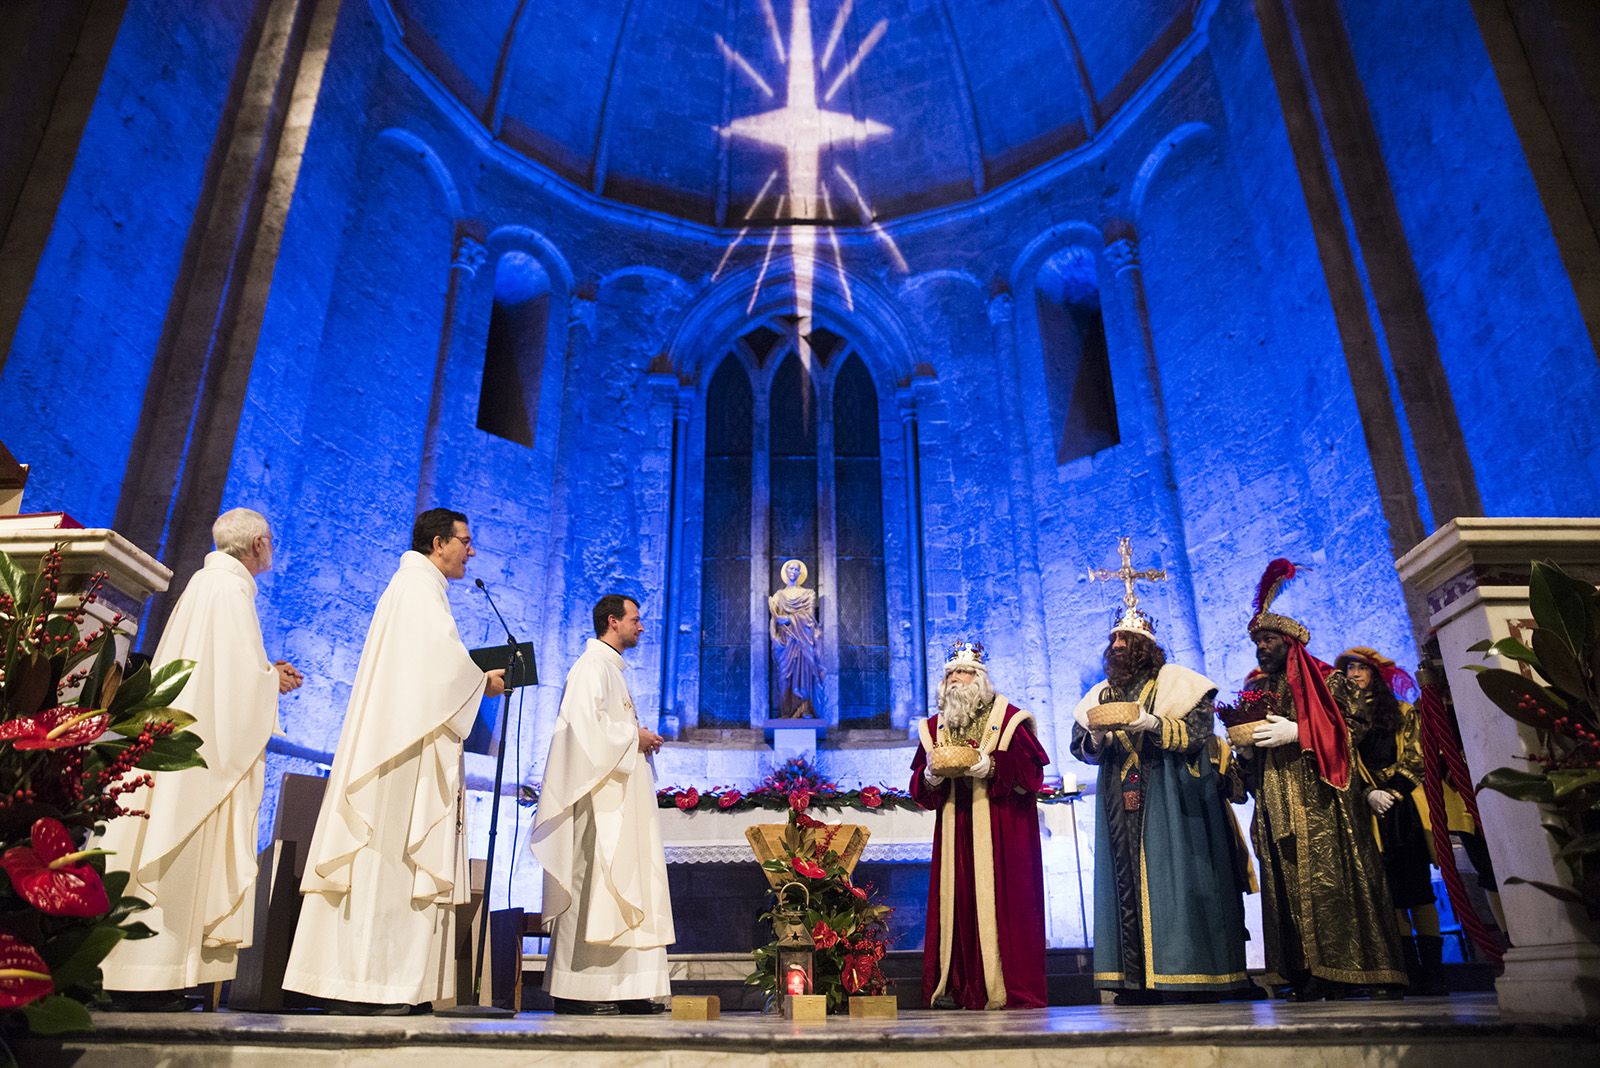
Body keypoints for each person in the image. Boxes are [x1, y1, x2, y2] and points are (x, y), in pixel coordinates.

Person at [282, 509, 506, 1013]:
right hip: (401, 758)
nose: (471, 552)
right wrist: (482, 683)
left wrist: (469, 679)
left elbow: (432, 669)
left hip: (403, 745)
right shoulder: (417, 590)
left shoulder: (417, 589)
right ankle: (369, 986)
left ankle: (375, 985)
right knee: (389, 862)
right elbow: (439, 672)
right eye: (465, 542)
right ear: (438, 542)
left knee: (387, 868)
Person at [99, 509, 303, 1010]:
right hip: (201, 754)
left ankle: (149, 976)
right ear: (257, 544)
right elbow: (233, 685)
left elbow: (218, 671)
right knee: (182, 851)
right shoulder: (230, 593)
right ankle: (154, 979)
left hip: (181, 739)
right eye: (270, 542)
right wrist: (269, 680)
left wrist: (262, 672)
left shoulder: (204, 585)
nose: (271, 549)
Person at [1234, 559, 1406, 1001]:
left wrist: (1301, 732)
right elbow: (1249, 750)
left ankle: (1353, 968)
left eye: (1268, 639)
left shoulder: (1330, 681)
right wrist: (1247, 750)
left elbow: (1355, 728)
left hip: (1322, 801)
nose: (1261, 648)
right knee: (1288, 889)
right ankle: (1307, 969)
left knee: (1332, 883)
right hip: (1275, 800)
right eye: (1257, 641)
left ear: (1290, 643)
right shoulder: (1258, 690)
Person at [1070, 606, 1250, 1003]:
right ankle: (1135, 982)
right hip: (1118, 800)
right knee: (1124, 884)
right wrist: (1097, 740)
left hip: (1172, 795)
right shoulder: (1101, 694)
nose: (1116, 646)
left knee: (1179, 882)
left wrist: (1154, 725)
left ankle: (1191, 974)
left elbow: (1200, 732)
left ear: (1146, 648)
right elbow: (1079, 744)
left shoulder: (1180, 685)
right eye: (1113, 640)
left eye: (1125, 640)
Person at [531, 594, 673, 1015]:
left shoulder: (610, 669)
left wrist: (633, 736)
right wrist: (635, 737)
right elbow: (584, 732)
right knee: (596, 887)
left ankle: (627, 988)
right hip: (598, 805)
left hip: (621, 801)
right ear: (612, 622)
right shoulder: (590, 668)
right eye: (635, 619)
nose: (641, 627)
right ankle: (580, 990)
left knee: (629, 886)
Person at [908, 641, 1048, 1010]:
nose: (955, 679)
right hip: (956, 829)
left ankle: (1003, 987)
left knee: (1003, 907)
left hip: (1002, 830)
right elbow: (919, 787)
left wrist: (993, 767)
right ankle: (957, 985)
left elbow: (1032, 773)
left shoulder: (1011, 719)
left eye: (963, 672)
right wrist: (932, 779)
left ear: (980, 680)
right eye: (950, 673)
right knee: (958, 906)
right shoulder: (935, 727)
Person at [1338, 646, 1449, 995]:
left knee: (1417, 887)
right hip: (1366, 808)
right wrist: (1368, 793)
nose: (1354, 674)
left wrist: (1393, 791)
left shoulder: (1402, 712)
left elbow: (1417, 755)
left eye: (1361, 668)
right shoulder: (1342, 720)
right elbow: (1345, 762)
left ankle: (1434, 971)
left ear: (1374, 673)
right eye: (1349, 669)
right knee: (1387, 891)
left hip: (1402, 808)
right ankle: (1406, 969)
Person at [768, 558, 822, 718]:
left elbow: (810, 617)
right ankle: (785, 711)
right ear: (786, 572)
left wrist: (789, 619)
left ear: (800, 573)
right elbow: (773, 619)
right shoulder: (779, 595)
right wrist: (773, 637)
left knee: (804, 674)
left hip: (803, 640)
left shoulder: (808, 594)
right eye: (790, 569)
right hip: (784, 642)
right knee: (784, 677)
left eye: (796, 569)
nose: (793, 572)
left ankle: (804, 709)